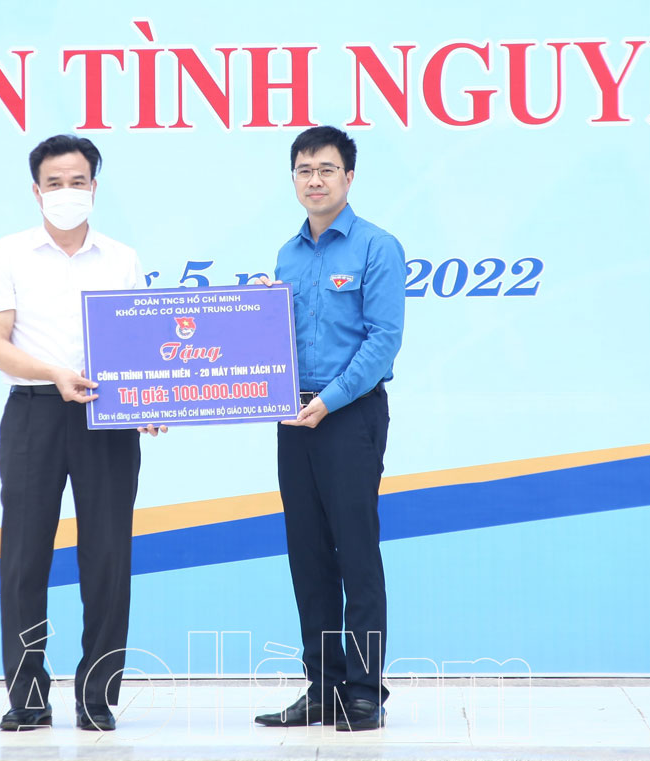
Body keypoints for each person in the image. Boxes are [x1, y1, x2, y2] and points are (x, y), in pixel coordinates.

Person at [0, 134, 161, 732]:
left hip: (107, 417)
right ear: (37, 191)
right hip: (34, 411)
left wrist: (148, 399)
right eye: (54, 183)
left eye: (77, 181)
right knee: (24, 558)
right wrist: (54, 373)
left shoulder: (121, 258)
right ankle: (27, 696)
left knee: (107, 555)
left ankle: (97, 695)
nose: (66, 192)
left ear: (94, 188)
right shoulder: (8, 253)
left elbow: (139, 343)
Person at [253, 126, 405, 732]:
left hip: (350, 415)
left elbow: (383, 339)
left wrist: (331, 400)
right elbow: (276, 341)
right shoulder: (286, 256)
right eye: (303, 170)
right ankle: (323, 687)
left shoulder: (377, 247)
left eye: (326, 169)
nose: (314, 180)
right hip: (294, 417)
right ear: (293, 178)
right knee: (308, 556)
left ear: (349, 177)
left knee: (356, 553)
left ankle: (364, 691)